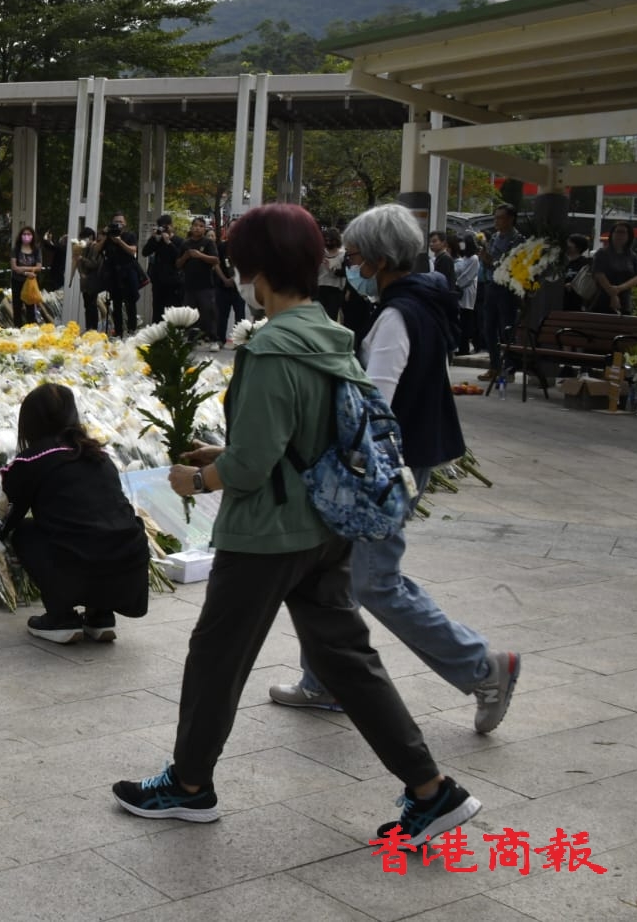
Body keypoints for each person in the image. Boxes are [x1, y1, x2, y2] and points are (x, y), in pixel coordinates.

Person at [112, 202, 481, 849]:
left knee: (216, 657)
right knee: (347, 660)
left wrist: (198, 479)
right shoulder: (331, 335)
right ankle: (432, 790)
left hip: (266, 534)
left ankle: (189, 785)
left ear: (257, 270)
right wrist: (227, 453)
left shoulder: (269, 348)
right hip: (326, 530)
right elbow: (303, 434)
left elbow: (252, 466)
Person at [269, 203, 519, 735]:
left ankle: (481, 667)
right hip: (411, 454)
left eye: (357, 257)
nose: (352, 266)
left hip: (385, 467)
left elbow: (373, 404)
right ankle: (324, 679)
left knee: (375, 581)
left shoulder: (397, 316)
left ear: (381, 260)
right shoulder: (426, 301)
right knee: (333, 577)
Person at [0, 383, 149, 644]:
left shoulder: (32, 461)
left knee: (26, 532)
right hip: (128, 560)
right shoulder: (98, 455)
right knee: (97, 532)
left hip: (79, 561)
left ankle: (61, 618)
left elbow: (4, 517)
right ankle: (100, 615)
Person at [479, 204, 523, 381]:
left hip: (507, 287)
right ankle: (494, 366)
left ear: (511, 219)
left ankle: (509, 368)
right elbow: (489, 261)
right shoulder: (494, 237)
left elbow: (512, 266)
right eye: (495, 217)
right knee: (488, 328)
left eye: (500, 218)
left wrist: (491, 261)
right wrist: (485, 259)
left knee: (506, 328)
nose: (496, 221)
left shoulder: (518, 240)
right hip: (491, 285)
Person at [176, 216, 219, 339]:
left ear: (204, 229)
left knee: (208, 313)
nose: (197, 228)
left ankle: (212, 339)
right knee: (190, 315)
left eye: (201, 226)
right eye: (195, 225)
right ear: (191, 227)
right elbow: (178, 264)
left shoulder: (208, 243)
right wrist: (185, 256)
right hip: (189, 286)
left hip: (205, 286)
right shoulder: (185, 244)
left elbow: (215, 260)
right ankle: (191, 338)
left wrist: (200, 255)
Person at [98, 215, 141, 336]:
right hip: (113, 274)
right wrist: (105, 235)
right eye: (115, 222)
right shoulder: (108, 237)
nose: (118, 224)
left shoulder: (130, 235)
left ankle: (132, 330)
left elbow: (133, 251)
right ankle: (118, 331)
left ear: (125, 223)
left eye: (120, 222)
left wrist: (120, 241)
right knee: (116, 304)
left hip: (128, 273)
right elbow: (97, 250)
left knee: (130, 303)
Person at [591, 221, 637, 314]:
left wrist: (618, 289)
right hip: (601, 299)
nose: (619, 235)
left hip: (625, 301)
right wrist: (613, 295)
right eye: (617, 231)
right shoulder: (602, 253)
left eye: (623, 232)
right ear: (612, 234)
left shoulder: (633, 256)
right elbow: (599, 274)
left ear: (629, 236)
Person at [142, 215, 183, 323]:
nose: (164, 229)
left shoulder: (178, 241)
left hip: (173, 281)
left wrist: (169, 242)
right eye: (161, 227)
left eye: (166, 227)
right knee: (157, 311)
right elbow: (145, 252)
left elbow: (179, 257)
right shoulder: (158, 240)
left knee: (172, 312)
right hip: (158, 281)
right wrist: (153, 238)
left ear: (171, 226)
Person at [212, 222, 246, 348]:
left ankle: (240, 340)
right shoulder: (221, 246)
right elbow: (216, 264)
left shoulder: (245, 248)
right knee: (221, 315)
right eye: (231, 228)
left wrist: (236, 279)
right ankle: (220, 340)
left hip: (240, 288)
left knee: (240, 315)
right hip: (223, 286)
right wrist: (225, 279)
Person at [10, 225, 44, 326]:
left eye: (29, 234)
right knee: (17, 306)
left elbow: (39, 267)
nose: (26, 236)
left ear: (32, 236)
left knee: (30, 306)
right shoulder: (16, 249)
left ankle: (30, 327)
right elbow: (14, 267)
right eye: (24, 234)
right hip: (17, 281)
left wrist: (23, 269)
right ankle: (17, 327)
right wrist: (27, 271)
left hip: (30, 281)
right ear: (20, 236)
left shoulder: (36, 250)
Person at [454, 234, 481, 354]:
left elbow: (468, 276)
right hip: (460, 289)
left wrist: (457, 284)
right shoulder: (464, 257)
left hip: (467, 291)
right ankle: (460, 346)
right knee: (461, 320)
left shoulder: (474, 258)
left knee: (466, 320)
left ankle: (464, 348)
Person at [73, 227, 103, 331]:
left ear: (90, 237)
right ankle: (88, 327)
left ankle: (93, 328)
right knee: (87, 306)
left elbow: (94, 264)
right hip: (85, 281)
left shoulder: (95, 247)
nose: (82, 240)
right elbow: (79, 265)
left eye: (84, 238)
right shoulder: (83, 248)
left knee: (92, 305)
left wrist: (82, 259)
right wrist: (80, 270)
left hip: (93, 281)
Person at [317, 227, 345, 318]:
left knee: (331, 317)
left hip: (335, 290)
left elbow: (345, 273)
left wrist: (332, 269)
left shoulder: (343, 255)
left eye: (331, 240)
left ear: (336, 241)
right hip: (320, 288)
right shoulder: (320, 253)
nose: (328, 243)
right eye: (326, 240)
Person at [561, 233, 592, 313]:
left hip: (576, 304)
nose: (566, 245)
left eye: (570, 243)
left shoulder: (585, 263)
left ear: (578, 247)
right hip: (560, 302)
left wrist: (574, 285)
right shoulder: (561, 262)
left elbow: (587, 283)